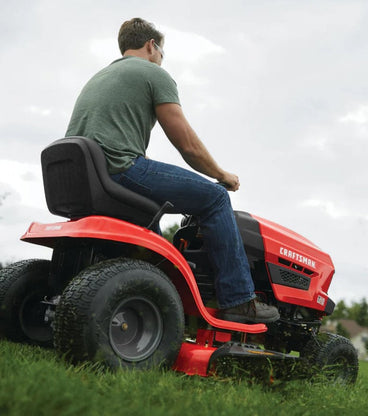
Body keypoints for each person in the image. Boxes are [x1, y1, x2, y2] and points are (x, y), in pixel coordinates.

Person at [65, 17, 279, 323]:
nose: (161, 60)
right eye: (162, 54)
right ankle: (239, 300)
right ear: (152, 47)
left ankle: (163, 291)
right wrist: (222, 175)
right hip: (120, 167)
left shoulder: (101, 76)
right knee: (216, 198)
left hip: (85, 176)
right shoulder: (152, 73)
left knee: (154, 230)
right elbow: (187, 144)